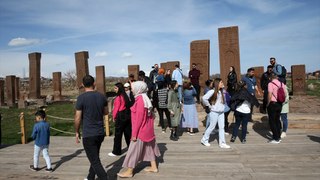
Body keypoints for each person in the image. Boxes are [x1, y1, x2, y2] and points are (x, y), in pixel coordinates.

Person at [117, 81, 161, 178]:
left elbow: (139, 119)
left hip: (141, 130)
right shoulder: (145, 98)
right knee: (149, 148)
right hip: (147, 130)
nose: (131, 90)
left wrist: (134, 134)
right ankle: (154, 167)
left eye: (133, 87)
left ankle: (129, 171)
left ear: (138, 88)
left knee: (133, 151)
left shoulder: (140, 100)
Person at [74, 75, 109, 180]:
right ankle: (90, 177)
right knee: (94, 157)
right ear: (94, 84)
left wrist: (76, 131)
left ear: (83, 85)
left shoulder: (81, 98)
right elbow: (106, 112)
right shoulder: (102, 96)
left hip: (89, 133)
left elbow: (78, 117)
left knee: (95, 160)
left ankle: (104, 177)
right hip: (100, 132)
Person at [201, 78, 230, 149]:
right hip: (214, 112)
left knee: (222, 127)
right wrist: (209, 106)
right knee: (212, 127)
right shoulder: (212, 91)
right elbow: (204, 98)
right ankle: (204, 139)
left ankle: (222, 143)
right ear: (217, 84)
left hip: (221, 112)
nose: (222, 83)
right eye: (221, 82)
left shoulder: (222, 91)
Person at [108, 83, 134, 157]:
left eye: (116, 88)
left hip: (120, 116)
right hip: (127, 116)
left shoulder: (118, 97)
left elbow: (116, 109)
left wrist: (114, 117)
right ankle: (131, 149)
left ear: (119, 88)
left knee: (118, 135)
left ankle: (116, 151)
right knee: (128, 134)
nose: (114, 89)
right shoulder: (125, 96)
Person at [267, 73, 286, 144]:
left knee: (272, 121)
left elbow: (269, 94)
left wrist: (268, 103)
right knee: (277, 120)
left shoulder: (270, 84)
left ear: (270, 78)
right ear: (277, 77)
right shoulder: (282, 84)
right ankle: (279, 136)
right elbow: (285, 94)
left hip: (273, 103)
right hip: (280, 104)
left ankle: (275, 138)